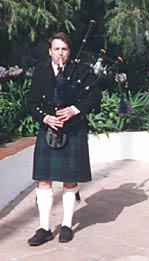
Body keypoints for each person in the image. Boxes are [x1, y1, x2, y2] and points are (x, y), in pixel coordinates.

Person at [27, 32, 101, 246]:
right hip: (49, 130)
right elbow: (31, 102)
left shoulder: (82, 70)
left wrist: (75, 109)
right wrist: (46, 117)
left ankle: (67, 225)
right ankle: (44, 228)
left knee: (69, 180)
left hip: (73, 130)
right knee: (43, 180)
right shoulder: (41, 71)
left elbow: (95, 95)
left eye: (64, 49)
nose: (60, 53)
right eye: (56, 49)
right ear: (50, 51)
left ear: (69, 51)